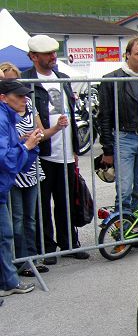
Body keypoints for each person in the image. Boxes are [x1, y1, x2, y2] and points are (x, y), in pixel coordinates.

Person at [22, 34, 89, 264]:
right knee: (42, 203)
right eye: (47, 54)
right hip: (42, 152)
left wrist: (75, 150)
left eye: (54, 53)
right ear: (33, 57)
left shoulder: (63, 77)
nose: (53, 57)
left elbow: (71, 111)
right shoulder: (26, 81)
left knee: (66, 200)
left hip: (66, 151)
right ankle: (47, 246)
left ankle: (69, 242)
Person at [0, 63, 68, 277]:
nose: (22, 97)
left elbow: (39, 132)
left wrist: (54, 129)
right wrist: (24, 144)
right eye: (7, 82)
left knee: (30, 218)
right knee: (16, 220)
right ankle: (18, 263)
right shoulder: (5, 115)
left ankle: (30, 257)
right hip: (13, 171)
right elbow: (7, 149)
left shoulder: (26, 105)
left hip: (29, 167)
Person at [98, 37, 138, 250]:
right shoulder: (111, 80)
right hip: (123, 138)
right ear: (127, 54)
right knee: (124, 189)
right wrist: (107, 148)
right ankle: (121, 234)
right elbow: (104, 116)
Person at [0, 80, 44, 298]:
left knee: (5, 235)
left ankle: (7, 281)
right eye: (18, 96)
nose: (24, 99)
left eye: (25, 95)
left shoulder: (7, 118)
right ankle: (8, 282)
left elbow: (10, 154)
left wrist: (25, 145)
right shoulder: (1, 119)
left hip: (2, 187)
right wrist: (26, 146)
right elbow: (4, 159)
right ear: (3, 98)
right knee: (5, 234)